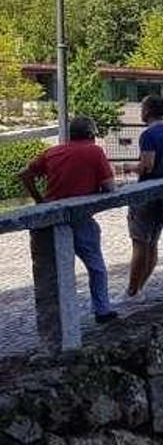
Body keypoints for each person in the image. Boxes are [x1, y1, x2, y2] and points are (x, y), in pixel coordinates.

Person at [19, 117, 118, 324]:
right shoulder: (95, 151)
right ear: (91, 134)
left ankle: (56, 319)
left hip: (49, 219)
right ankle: (102, 310)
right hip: (80, 218)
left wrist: (40, 201)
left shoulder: (53, 152)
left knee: (54, 272)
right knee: (95, 266)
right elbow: (110, 187)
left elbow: (25, 174)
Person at [121, 95, 163, 302]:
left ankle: (132, 291)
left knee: (139, 242)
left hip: (148, 195)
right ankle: (140, 287)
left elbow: (147, 165)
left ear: (147, 111)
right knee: (153, 242)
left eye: (142, 107)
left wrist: (128, 167)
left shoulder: (148, 135)